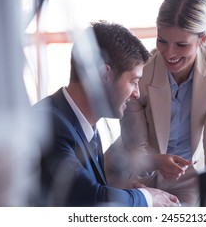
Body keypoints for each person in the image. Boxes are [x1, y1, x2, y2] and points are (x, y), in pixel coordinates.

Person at [32, 20, 180, 207]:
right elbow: (86, 199)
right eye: (134, 82)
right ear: (104, 74)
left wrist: (127, 196)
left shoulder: (87, 127)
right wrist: (147, 198)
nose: (137, 93)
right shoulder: (48, 123)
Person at [109, 0, 206, 207]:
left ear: (203, 39)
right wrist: (156, 161)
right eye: (162, 41)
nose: (169, 53)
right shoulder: (141, 71)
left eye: (181, 45)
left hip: (187, 175)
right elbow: (134, 144)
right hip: (133, 168)